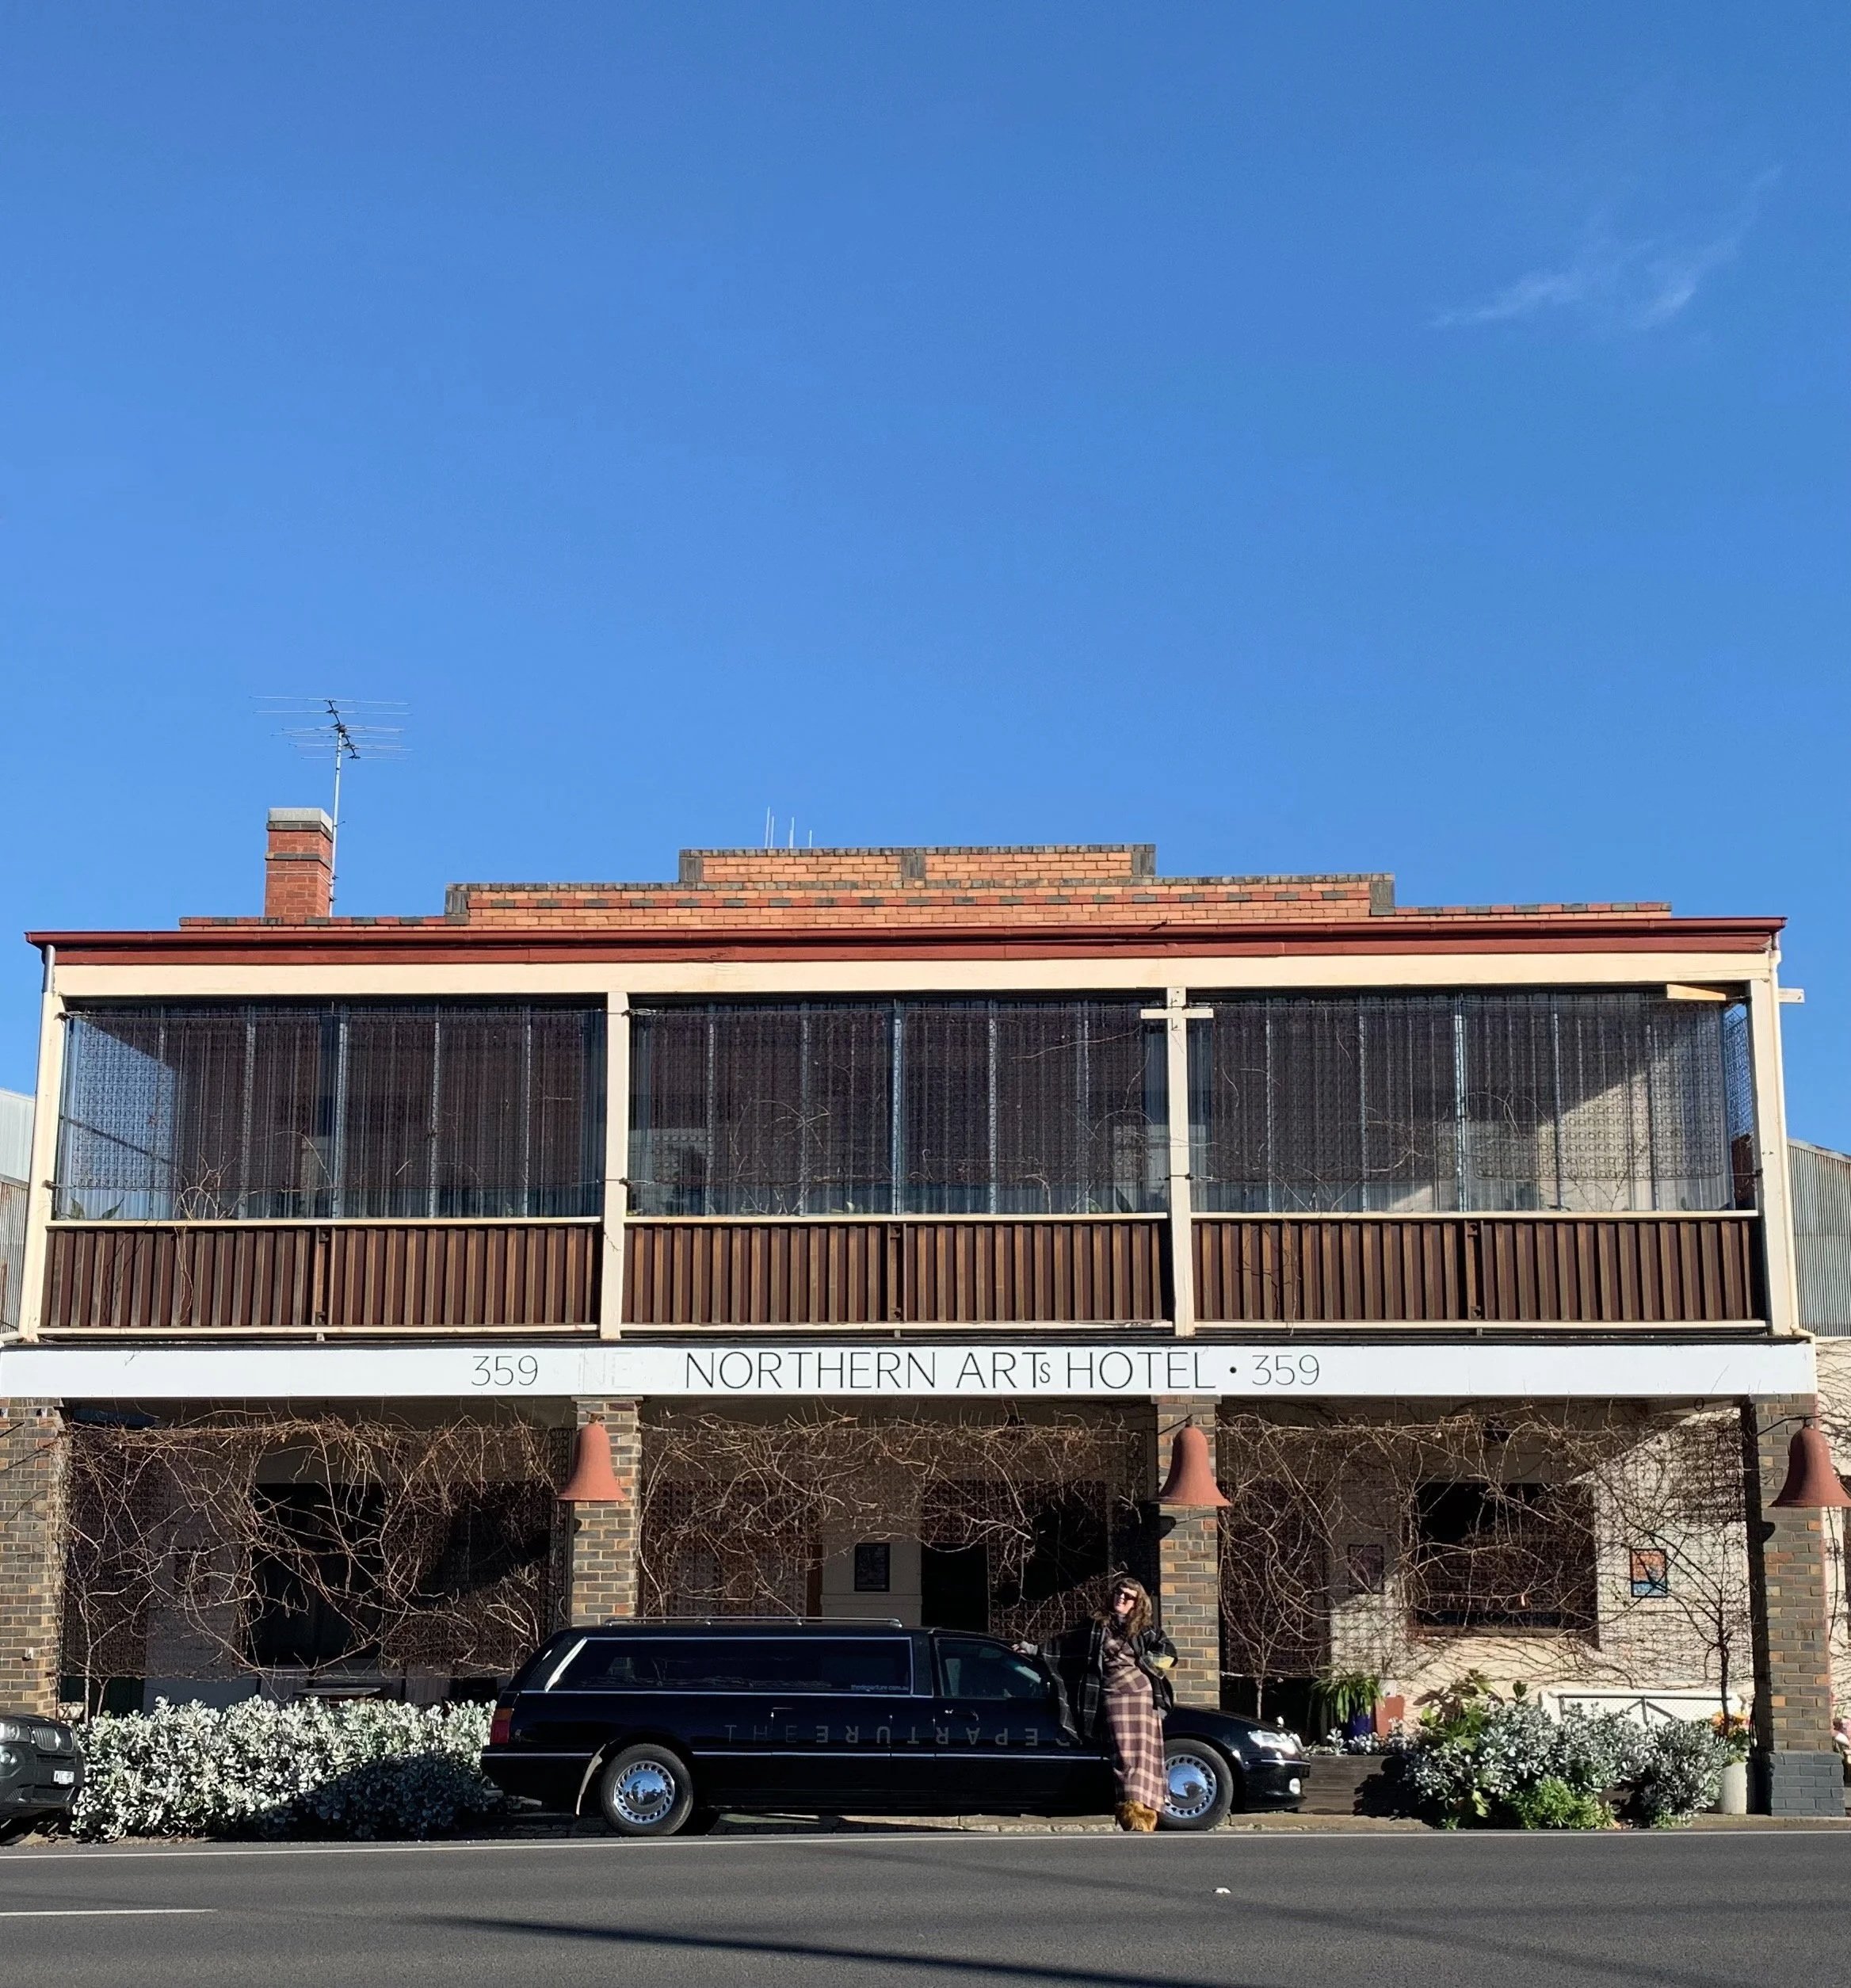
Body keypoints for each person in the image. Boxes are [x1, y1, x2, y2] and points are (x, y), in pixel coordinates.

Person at [1031, 1576, 1177, 1832]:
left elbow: (1170, 1655)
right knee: (1123, 1755)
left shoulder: (1144, 1630)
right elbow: (1064, 1646)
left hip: (1142, 1697)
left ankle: (1146, 1812)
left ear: (1136, 1603)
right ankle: (1130, 1810)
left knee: (1145, 1755)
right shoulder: (1097, 1626)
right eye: (1119, 1593)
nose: (1121, 1598)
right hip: (1113, 1696)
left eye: (1128, 1596)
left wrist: (1147, 1664)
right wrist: (1034, 1650)